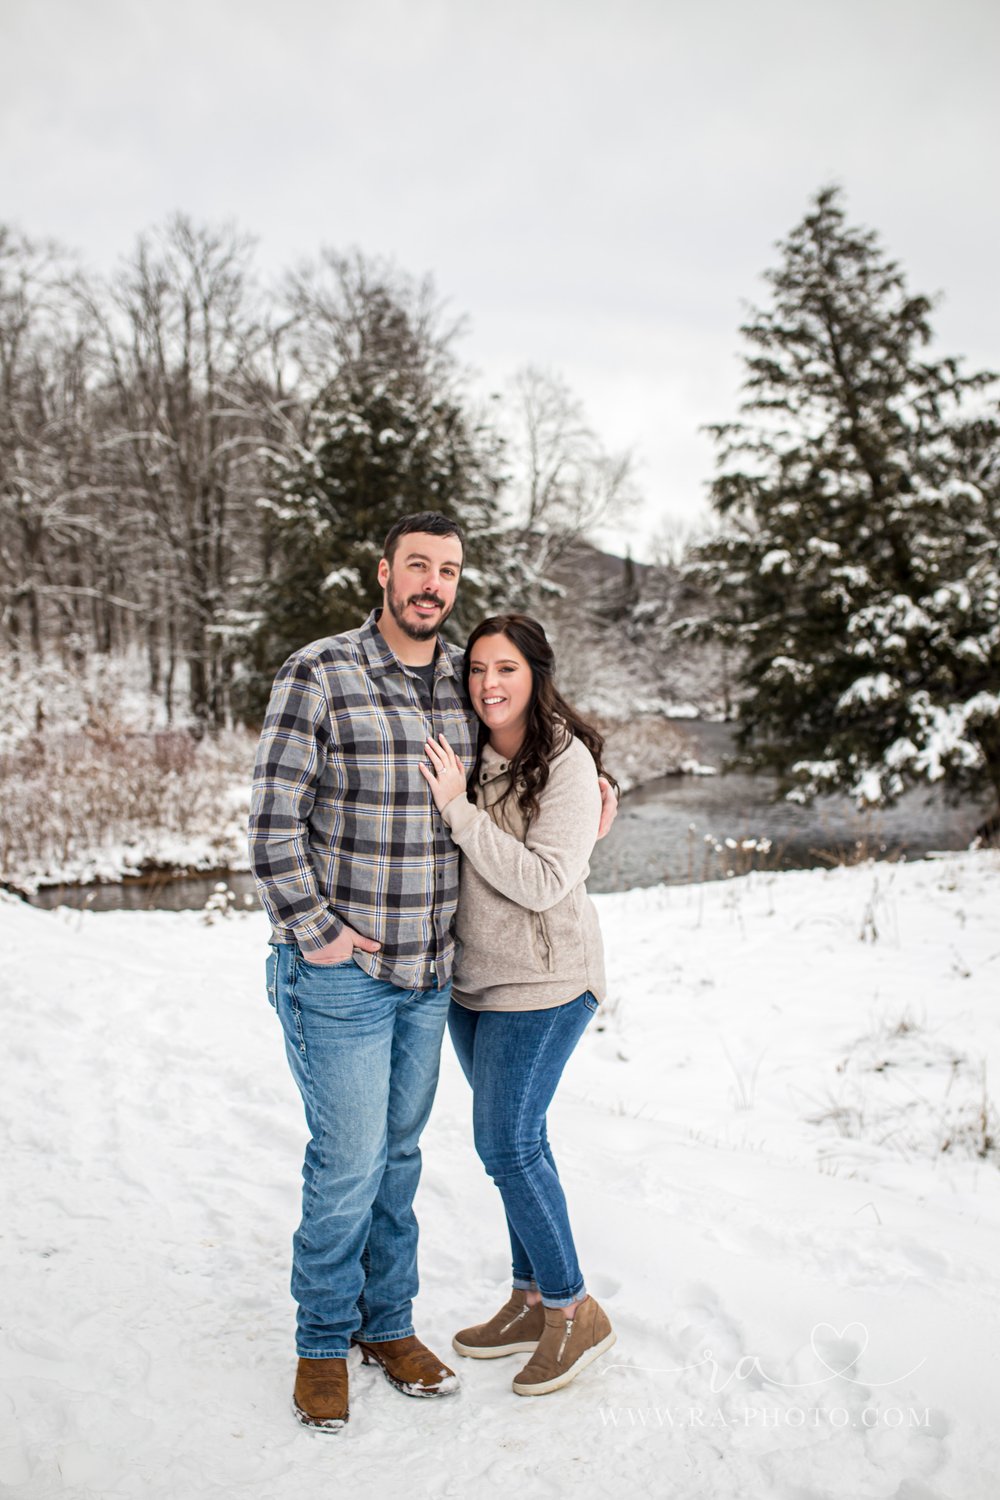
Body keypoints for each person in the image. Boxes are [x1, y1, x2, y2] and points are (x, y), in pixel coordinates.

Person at [248, 514, 617, 1431]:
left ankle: (387, 1323)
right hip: (342, 974)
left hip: (430, 976)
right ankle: (323, 1341)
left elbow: (532, 749)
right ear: (384, 573)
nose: (433, 584)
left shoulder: (462, 682)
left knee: (402, 1159)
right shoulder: (321, 672)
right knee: (346, 1163)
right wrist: (317, 933)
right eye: (417, 566)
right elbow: (270, 824)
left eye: (448, 570)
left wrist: (594, 808)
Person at [418, 613, 617, 1397]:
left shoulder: (563, 759)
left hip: (547, 982)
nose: (488, 685)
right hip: (475, 983)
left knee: (505, 1144)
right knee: (520, 1143)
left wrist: (459, 811)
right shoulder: (470, 740)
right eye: (476, 671)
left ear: (536, 673)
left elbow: (542, 880)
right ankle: (530, 1298)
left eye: (505, 669)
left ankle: (574, 1310)